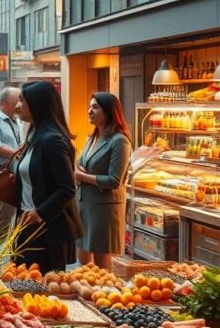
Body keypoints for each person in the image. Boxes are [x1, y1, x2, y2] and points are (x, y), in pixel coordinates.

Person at [14, 81, 84, 273]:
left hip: (47, 230)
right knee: (23, 284)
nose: (17, 106)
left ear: (37, 104)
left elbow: (67, 188)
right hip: (27, 224)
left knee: (43, 291)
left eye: (22, 100)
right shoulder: (34, 136)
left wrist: (39, 213)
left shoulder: (52, 140)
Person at [74, 93, 132, 270]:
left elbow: (114, 180)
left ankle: (103, 295)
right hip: (84, 204)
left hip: (104, 209)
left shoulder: (119, 141)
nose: (89, 111)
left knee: (102, 266)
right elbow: (80, 164)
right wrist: (76, 169)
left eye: (95, 107)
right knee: (83, 261)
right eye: (90, 106)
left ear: (109, 111)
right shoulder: (92, 138)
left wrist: (82, 177)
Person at [0, 88, 24, 229]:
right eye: (16, 102)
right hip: (0, 173)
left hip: (13, 172)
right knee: (1, 217)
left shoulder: (16, 120)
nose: (19, 105)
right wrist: (18, 153)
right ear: (4, 103)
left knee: (10, 215)